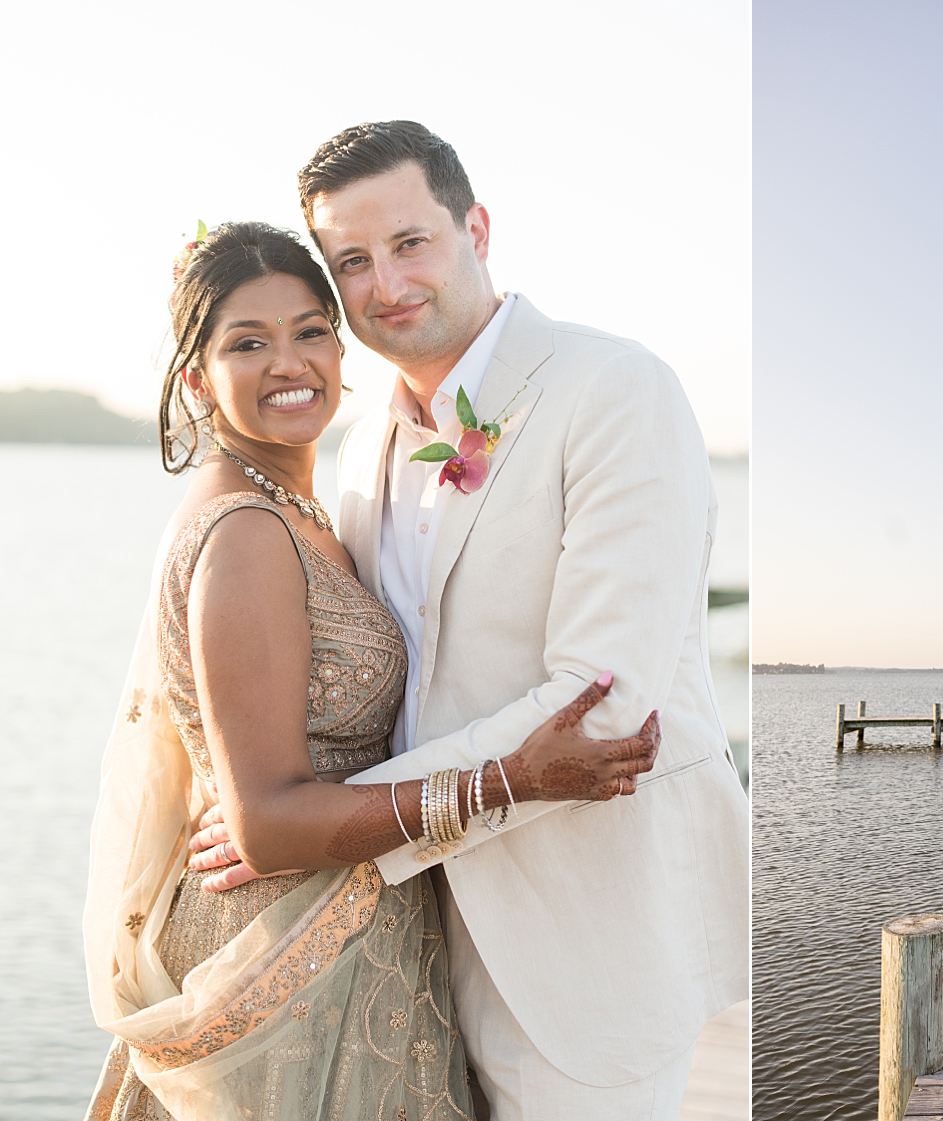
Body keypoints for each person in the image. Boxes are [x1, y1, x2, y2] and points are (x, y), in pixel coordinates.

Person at [190, 120, 750, 1119]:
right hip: (402, 952)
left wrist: (304, 817)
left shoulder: (614, 390)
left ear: (476, 227)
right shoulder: (357, 445)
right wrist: (258, 795)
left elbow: (604, 712)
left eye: (410, 242)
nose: (386, 282)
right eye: (352, 260)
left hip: (586, 946)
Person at [83, 221, 657, 1119]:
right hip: (283, 964)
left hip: (354, 927)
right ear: (197, 377)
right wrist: (509, 778)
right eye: (248, 342)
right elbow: (268, 822)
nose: (290, 362)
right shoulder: (246, 533)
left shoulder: (306, 500)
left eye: (311, 329)